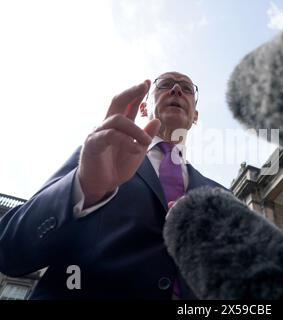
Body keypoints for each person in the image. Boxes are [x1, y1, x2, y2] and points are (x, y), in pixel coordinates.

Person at [0, 71, 226, 299]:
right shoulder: (95, 157)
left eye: (187, 88)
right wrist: (85, 187)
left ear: (195, 116)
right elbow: (8, 252)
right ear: (144, 109)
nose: (176, 90)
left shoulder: (221, 196)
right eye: (165, 85)